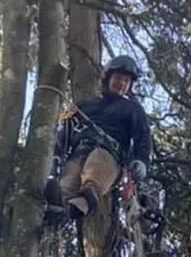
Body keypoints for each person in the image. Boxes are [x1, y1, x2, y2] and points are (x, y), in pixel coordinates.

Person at [47, 55, 152, 223]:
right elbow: (64, 132)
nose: (122, 84)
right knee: (65, 186)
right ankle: (59, 211)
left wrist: (142, 161)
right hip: (79, 152)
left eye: (126, 81)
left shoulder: (132, 109)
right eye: (118, 78)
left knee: (93, 178)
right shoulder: (85, 105)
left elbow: (143, 137)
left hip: (108, 154)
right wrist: (56, 155)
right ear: (108, 78)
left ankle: (78, 205)